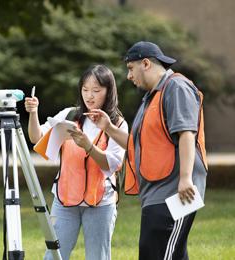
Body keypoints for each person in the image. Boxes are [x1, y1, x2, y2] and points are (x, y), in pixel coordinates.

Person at [86, 41, 208, 260]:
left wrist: (185, 179)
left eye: (131, 68)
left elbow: (187, 134)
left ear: (145, 63)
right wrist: (109, 128)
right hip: (156, 194)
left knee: (157, 254)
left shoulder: (176, 87)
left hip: (177, 192)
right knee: (169, 254)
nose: (128, 76)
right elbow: (137, 143)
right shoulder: (151, 98)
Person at [25, 64, 128, 260]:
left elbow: (112, 164)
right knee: (53, 255)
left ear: (109, 91)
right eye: (85, 89)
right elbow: (36, 137)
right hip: (64, 199)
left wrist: (89, 146)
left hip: (101, 202)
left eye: (96, 90)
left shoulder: (117, 123)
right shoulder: (69, 115)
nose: (89, 96)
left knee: (97, 256)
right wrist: (33, 112)